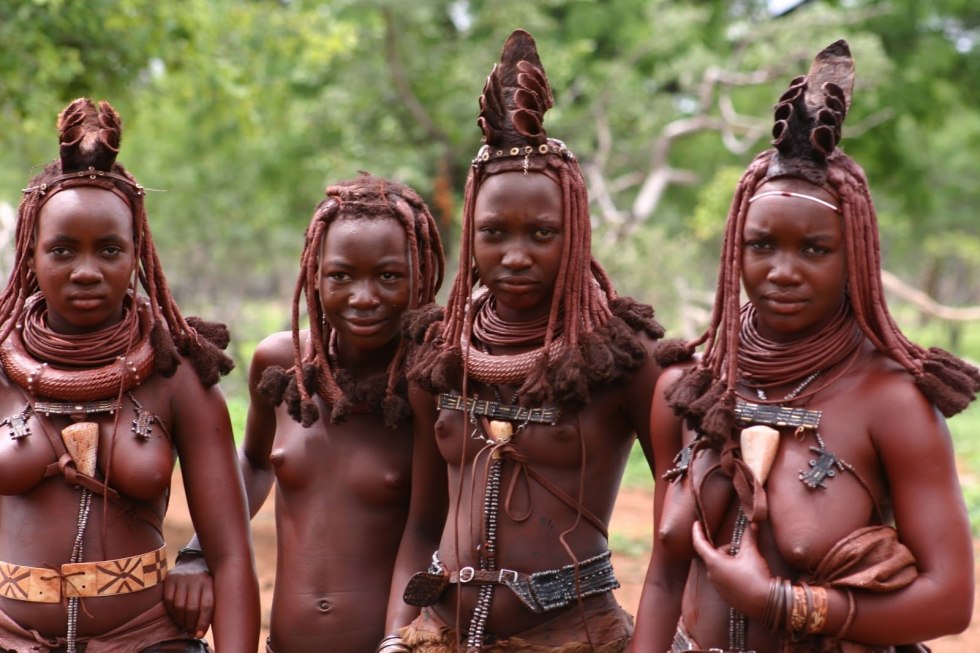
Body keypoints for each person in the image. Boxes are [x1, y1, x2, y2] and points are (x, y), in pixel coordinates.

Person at [647, 41, 979, 653]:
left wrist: (780, 603)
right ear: (734, 250)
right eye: (762, 245)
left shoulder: (892, 400)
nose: (783, 271)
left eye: (815, 250)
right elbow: (665, 577)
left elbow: (951, 600)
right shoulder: (686, 388)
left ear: (854, 254)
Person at [381, 29, 687, 653]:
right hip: (439, 635)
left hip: (576, 636)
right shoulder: (441, 352)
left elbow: (677, 535)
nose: (515, 256)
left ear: (574, 231)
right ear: (471, 231)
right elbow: (420, 526)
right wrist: (396, 638)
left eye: (541, 233)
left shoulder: (624, 358)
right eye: (495, 233)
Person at [0, 98, 260, 652]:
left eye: (110, 250)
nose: (87, 271)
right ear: (30, 255)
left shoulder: (177, 373)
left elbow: (234, 555)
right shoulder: (0, 367)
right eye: (63, 250)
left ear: (137, 254)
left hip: (147, 640)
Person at [164, 173, 445, 652]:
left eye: (389, 276)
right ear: (313, 274)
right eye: (341, 276)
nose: (364, 296)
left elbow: (429, 528)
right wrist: (197, 554)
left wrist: (399, 641)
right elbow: (253, 464)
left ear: (422, 277)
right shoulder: (281, 366)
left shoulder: (428, 384)